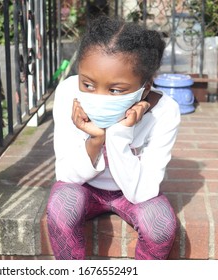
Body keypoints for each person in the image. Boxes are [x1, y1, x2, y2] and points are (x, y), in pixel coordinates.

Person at [46, 15, 181, 260]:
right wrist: (95, 141)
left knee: (161, 226)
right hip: (84, 188)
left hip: (131, 192)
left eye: (116, 90)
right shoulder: (68, 93)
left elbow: (142, 193)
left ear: (146, 87)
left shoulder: (165, 112)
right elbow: (66, 175)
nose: (99, 96)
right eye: (88, 84)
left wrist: (119, 134)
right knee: (60, 208)